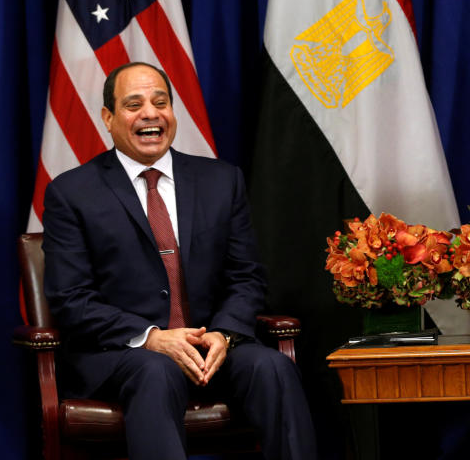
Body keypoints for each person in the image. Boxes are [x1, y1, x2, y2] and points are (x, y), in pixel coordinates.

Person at [42, 61, 317, 460]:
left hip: (213, 346)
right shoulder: (71, 193)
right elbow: (71, 298)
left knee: (273, 367)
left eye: (161, 102)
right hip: (124, 355)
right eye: (134, 104)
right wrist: (152, 337)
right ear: (108, 117)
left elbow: (246, 277)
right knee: (156, 370)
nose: (150, 114)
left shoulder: (222, 180)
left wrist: (224, 333)